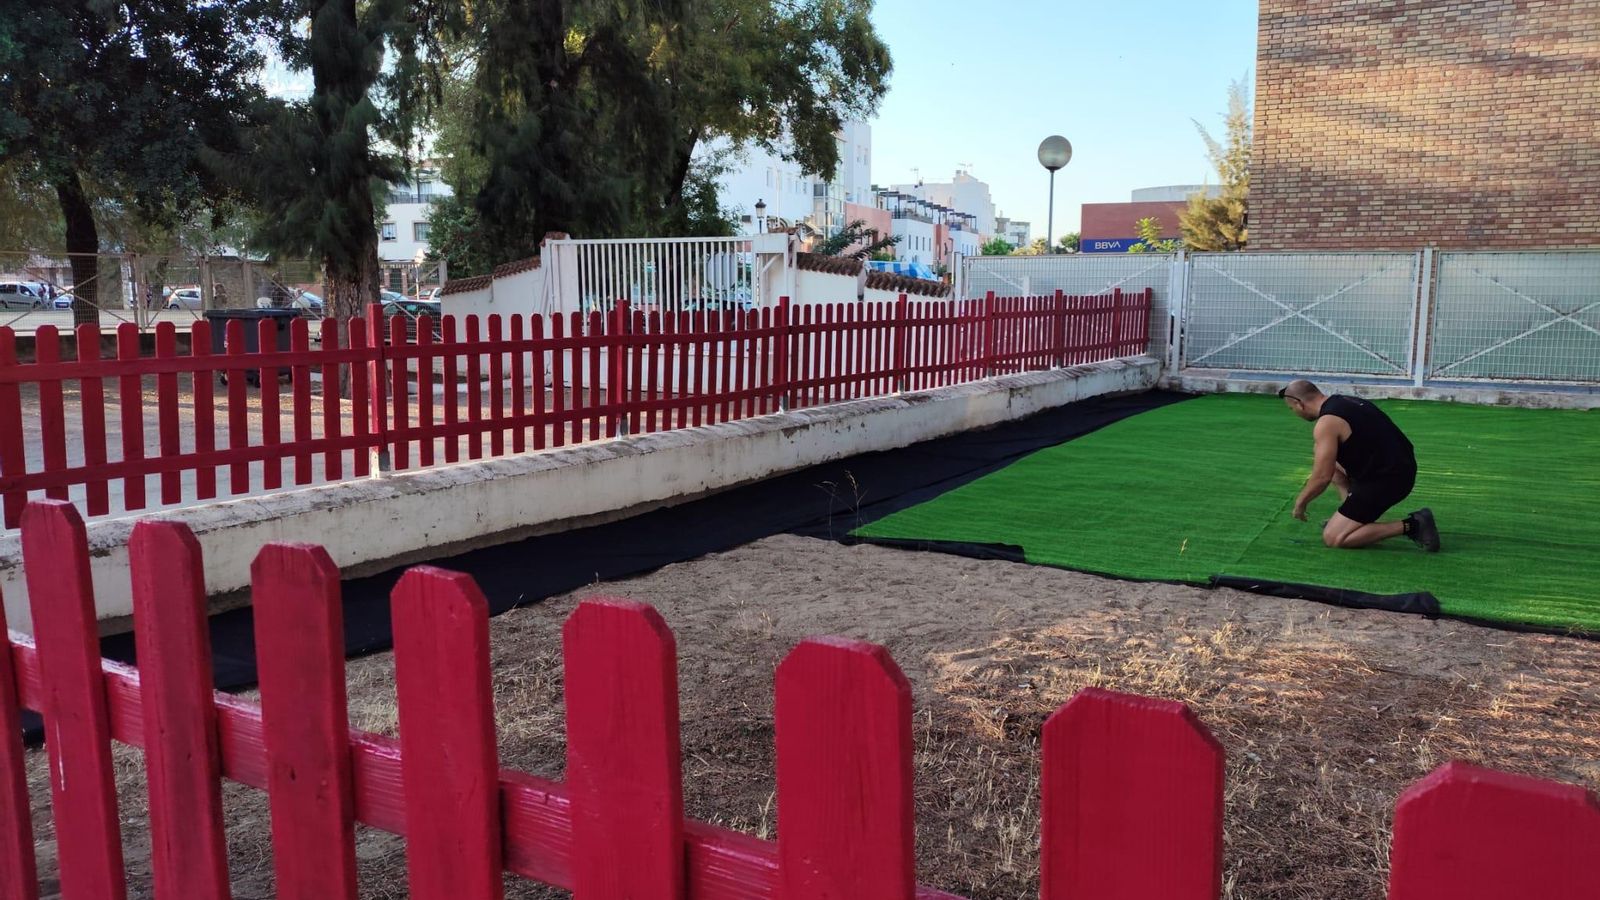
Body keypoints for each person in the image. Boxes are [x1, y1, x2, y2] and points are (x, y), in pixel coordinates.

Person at [1278, 380, 1440, 552]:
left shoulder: (1327, 422)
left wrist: (1301, 503)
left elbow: (1322, 477)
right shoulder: (1346, 401)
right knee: (1324, 454)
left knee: (1333, 538)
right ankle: (1351, 516)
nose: (1295, 412)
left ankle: (1414, 524)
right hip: (1397, 468)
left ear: (1299, 403)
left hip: (1387, 480)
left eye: (1292, 408)